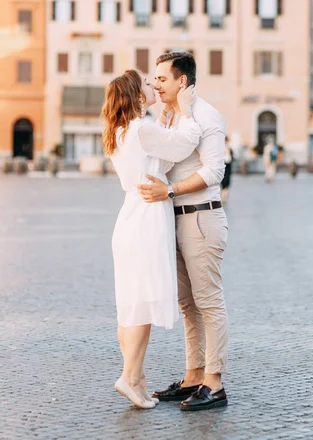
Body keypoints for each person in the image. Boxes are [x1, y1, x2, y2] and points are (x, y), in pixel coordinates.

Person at [101, 69, 201, 409]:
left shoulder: (120, 130)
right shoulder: (142, 130)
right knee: (141, 304)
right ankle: (128, 377)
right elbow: (184, 143)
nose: (153, 85)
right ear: (136, 95)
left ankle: (137, 378)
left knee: (129, 305)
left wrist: (165, 115)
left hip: (130, 216)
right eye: (147, 83)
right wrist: (184, 110)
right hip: (147, 217)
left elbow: (157, 141)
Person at [137, 51, 229, 412]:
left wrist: (170, 191)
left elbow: (213, 172)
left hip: (201, 218)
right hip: (175, 219)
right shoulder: (173, 115)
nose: (156, 84)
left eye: (162, 78)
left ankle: (215, 383)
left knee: (209, 302)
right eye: (155, 79)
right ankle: (193, 376)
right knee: (188, 304)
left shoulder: (207, 116)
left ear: (182, 81)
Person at [221, 136, 234, 203]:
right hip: (222, 168)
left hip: (228, 168)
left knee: (227, 182)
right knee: (223, 182)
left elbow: (232, 159)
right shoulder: (220, 148)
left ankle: (225, 195)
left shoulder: (229, 149)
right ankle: (223, 195)